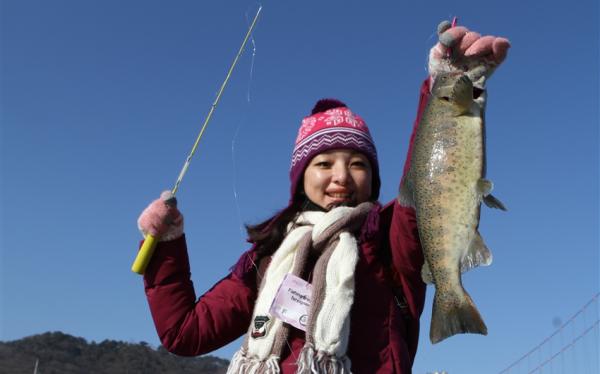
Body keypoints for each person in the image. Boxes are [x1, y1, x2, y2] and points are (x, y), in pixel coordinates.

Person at [137, 21, 510, 374]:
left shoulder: (391, 244)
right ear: (301, 179)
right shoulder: (266, 260)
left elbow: (424, 183)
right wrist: (167, 247)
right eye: (324, 163)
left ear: (373, 177)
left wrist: (444, 88)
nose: (341, 177)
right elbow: (184, 334)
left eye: (358, 163)